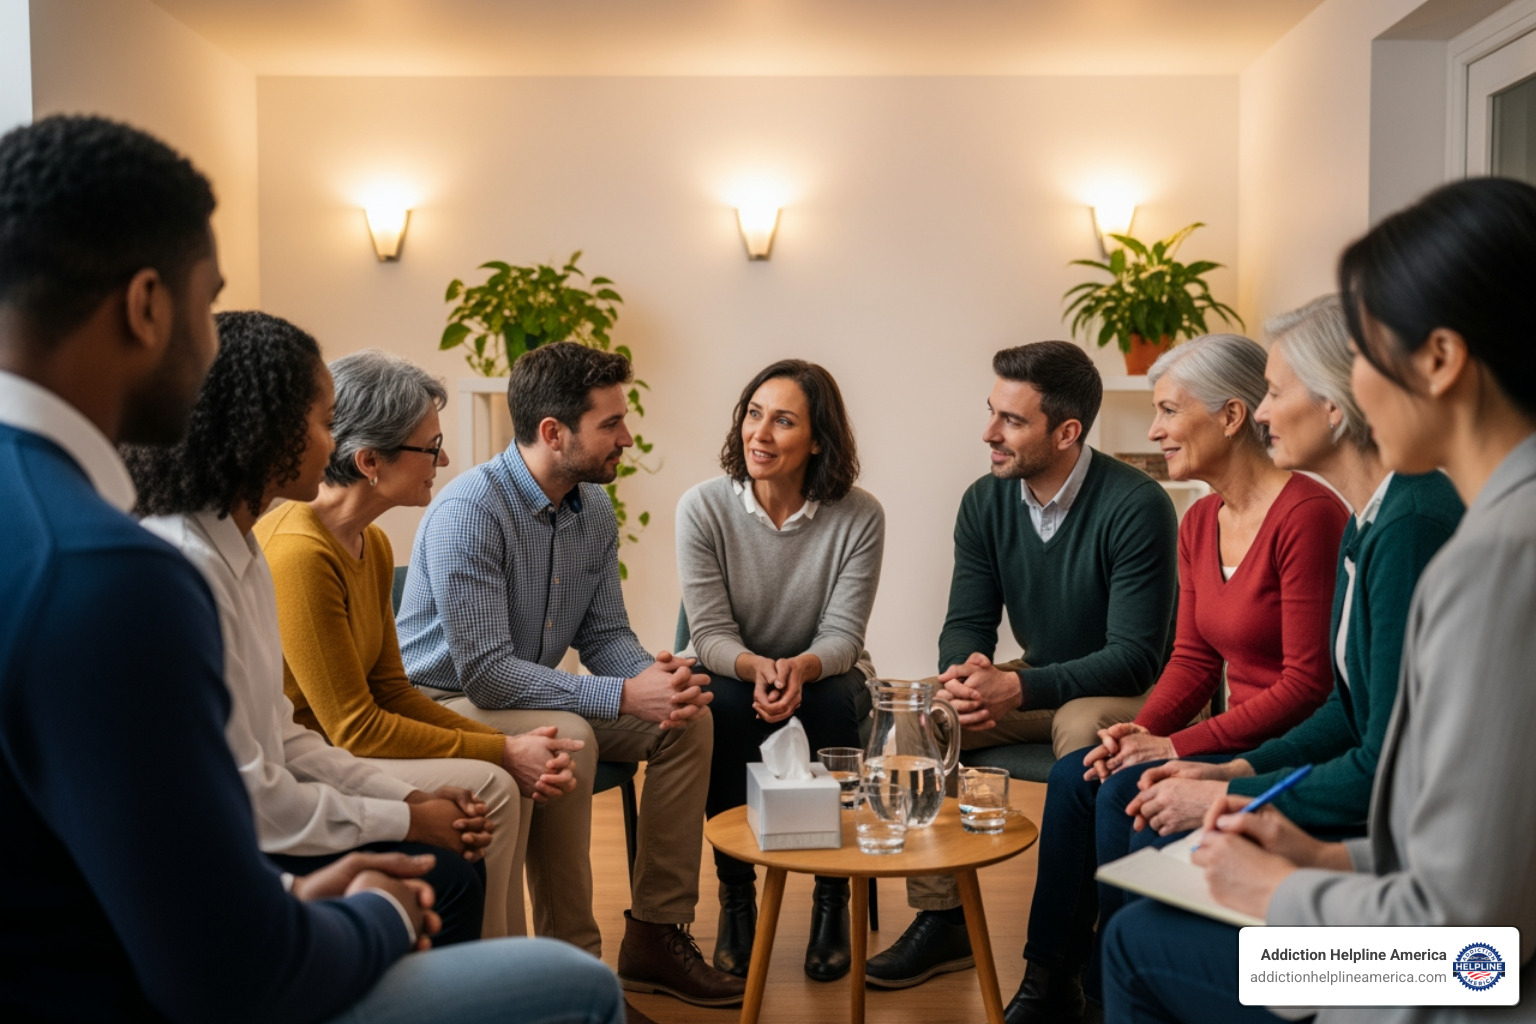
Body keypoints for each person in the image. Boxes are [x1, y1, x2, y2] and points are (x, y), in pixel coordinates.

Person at [0, 114, 621, 1024]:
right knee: (575, 993)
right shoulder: (113, 574)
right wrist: (373, 910)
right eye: (207, 306)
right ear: (145, 306)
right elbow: (227, 970)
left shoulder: (108, 541)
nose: (214, 351)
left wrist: (315, 889)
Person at [1103, 177, 1536, 1024]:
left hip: (1453, 982)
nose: (1355, 386)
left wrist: (1284, 893)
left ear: (1441, 360)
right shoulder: (1483, 526)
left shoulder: (1488, 558)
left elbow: (1472, 953)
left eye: (1366, 353)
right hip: (1438, 933)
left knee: (1136, 944)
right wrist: (1322, 856)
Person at [124, 312, 510, 946]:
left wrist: (406, 803)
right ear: (263, 430)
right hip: (213, 856)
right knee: (448, 875)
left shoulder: (241, 553)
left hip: (264, 812)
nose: (332, 447)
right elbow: (256, 793)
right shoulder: (193, 568)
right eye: (325, 424)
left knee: (453, 865)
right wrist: (400, 819)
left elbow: (283, 737)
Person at [1006, 333, 1348, 1024]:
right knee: (1083, 772)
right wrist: (1141, 728)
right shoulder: (1197, 521)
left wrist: (1175, 750)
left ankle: (1120, 992)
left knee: (1128, 789)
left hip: (1288, 743)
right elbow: (1193, 662)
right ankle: (1050, 981)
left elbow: (1307, 687)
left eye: (1168, 410)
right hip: (1227, 733)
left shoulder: (1308, 515)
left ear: (1229, 417)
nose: (1154, 429)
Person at [399, 340, 746, 1007]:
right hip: (444, 701)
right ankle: (572, 975)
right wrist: (621, 694)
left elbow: (604, 634)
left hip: (528, 692)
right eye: (610, 423)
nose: (627, 435)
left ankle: (654, 933)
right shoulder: (472, 511)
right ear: (554, 433)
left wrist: (654, 683)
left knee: (687, 721)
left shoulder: (594, 510)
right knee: (569, 733)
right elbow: (489, 678)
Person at [865, 340, 1181, 989]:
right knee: (920, 715)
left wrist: (1018, 685)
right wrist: (964, 675)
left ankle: (1087, 937)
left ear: (1067, 432)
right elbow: (966, 623)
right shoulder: (985, 501)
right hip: (1039, 679)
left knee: (1081, 728)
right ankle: (943, 918)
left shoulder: (1137, 505)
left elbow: (1133, 657)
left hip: (1137, 691)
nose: (989, 433)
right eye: (992, 412)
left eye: (1011, 420)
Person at [251, 348, 584, 944]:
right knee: (494, 783)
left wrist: (506, 746)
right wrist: (503, 751)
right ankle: (488, 975)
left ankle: (506, 963)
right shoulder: (300, 553)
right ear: (369, 460)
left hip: (340, 745)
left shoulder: (371, 544)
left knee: (512, 772)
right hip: (304, 763)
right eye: (430, 447)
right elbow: (353, 729)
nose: (445, 459)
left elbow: (391, 691)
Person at [1123, 296, 1461, 845]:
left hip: (1410, 843)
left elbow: (1388, 762)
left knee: (1138, 923)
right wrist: (1231, 772)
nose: (1260, 413)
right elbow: (1346, 713)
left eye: (1275, 394)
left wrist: (1228, 792)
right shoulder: (1368, 518)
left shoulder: (1408, 525)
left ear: (1333, 404)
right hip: (1353, 790)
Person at [677, 358, 884, 982]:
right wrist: (757, 667)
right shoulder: (703, 507)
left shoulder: (859, 514)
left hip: (823, 671)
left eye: (784, 421)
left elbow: (844, 637)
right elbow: (706, 633)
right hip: (732, 666)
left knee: (834, 703)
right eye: (754, 414)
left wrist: (799, 667)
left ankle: (831, 897)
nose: (760, 433)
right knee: (722, 705)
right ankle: (735, 897)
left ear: (818, 439)